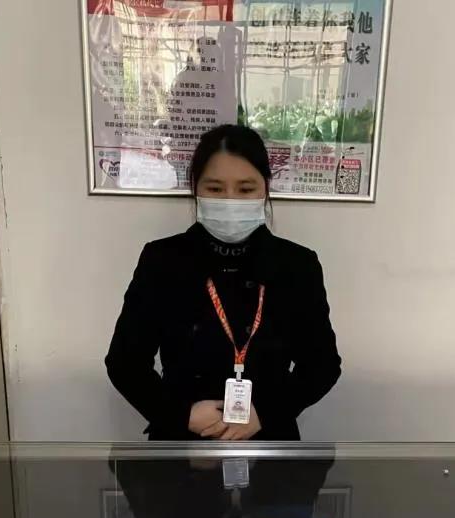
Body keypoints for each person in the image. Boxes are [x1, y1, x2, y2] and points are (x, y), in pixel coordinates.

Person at [106, 124, 341, 441]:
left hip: (268, 439)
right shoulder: (162, 260)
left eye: (245, 189)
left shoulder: (297, 264)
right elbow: (125, 362)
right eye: (215, 189)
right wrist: (182, 414)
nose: (230, 200)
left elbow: (322, 364)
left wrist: (265, 412)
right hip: (181, 441)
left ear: (265, 188)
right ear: (195, 188)